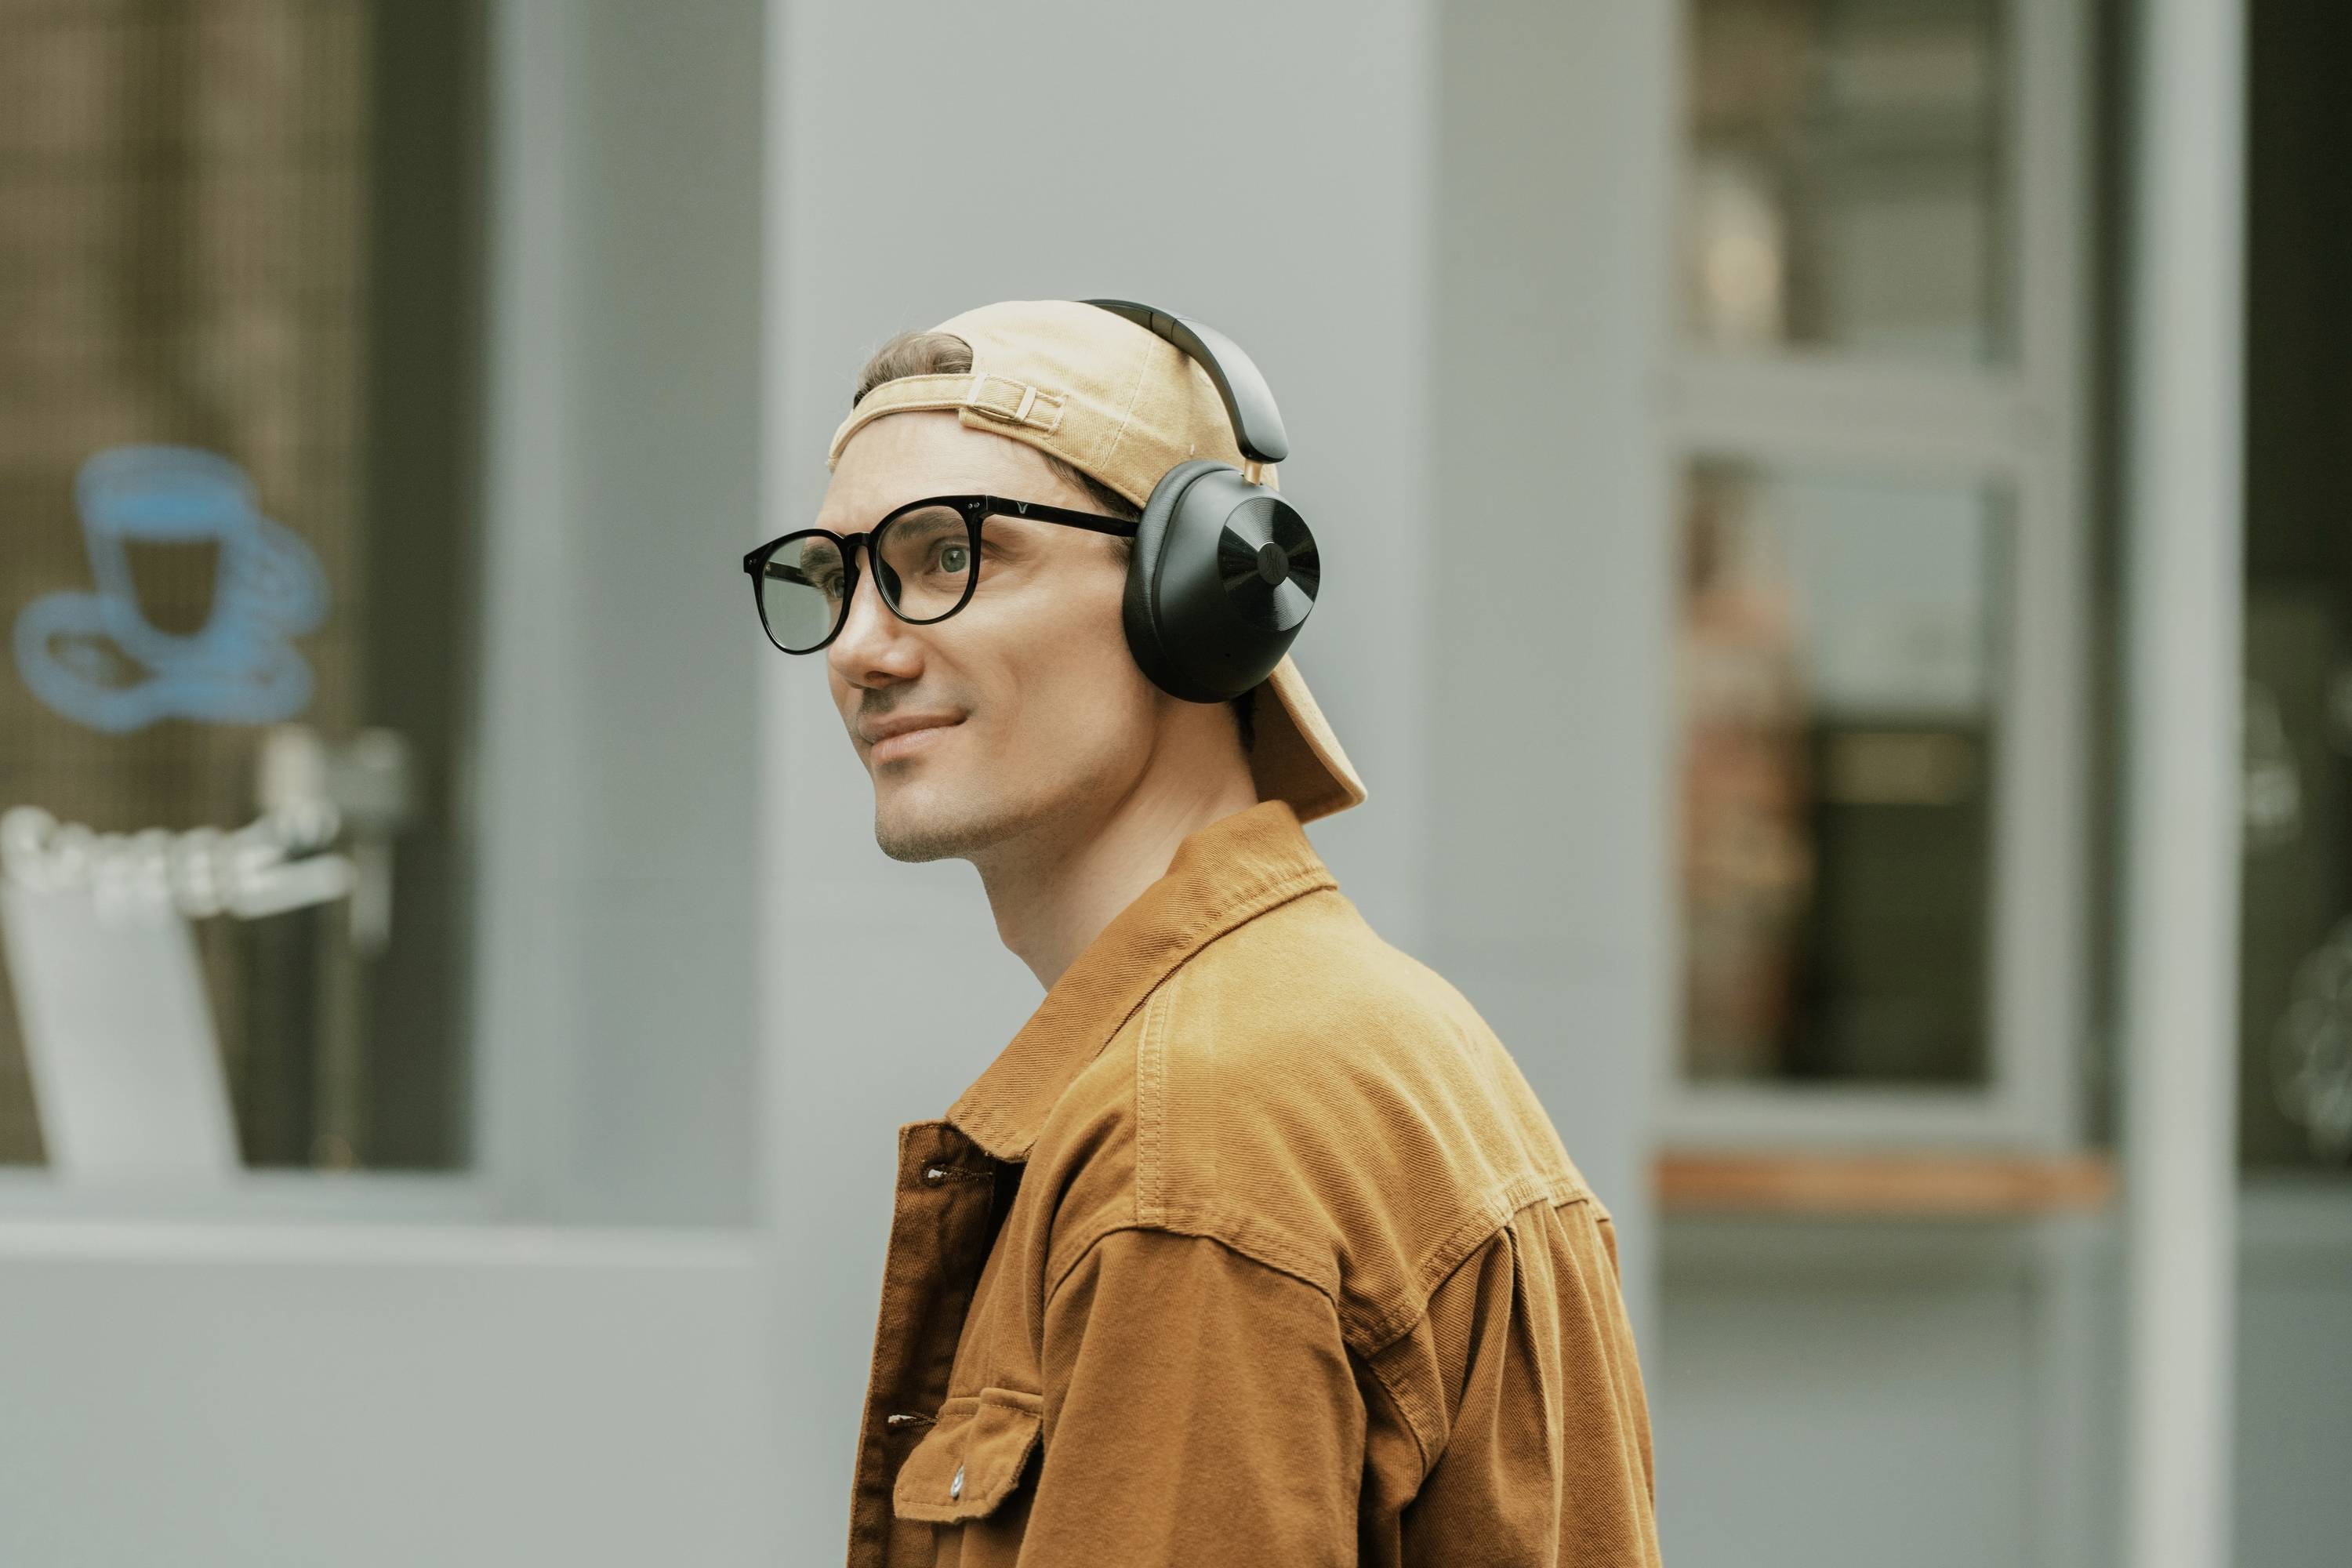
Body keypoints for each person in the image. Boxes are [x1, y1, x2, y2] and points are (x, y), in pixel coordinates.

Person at [746, 298, 1661, 1566]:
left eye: (949, 555)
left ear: (1204, 588)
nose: (859, 648)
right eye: (836, 576)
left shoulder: (1198, 1133)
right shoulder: (1352, 1032)